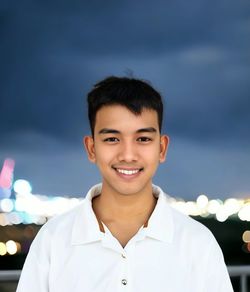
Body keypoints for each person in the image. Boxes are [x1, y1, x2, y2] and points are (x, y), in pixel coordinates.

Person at [16, 76, 233, 292]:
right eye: (112, 139)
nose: (128, 155)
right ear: (91, 148)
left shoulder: (198, 243)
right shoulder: (53, 240)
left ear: (162, 148)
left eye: (143, 139)